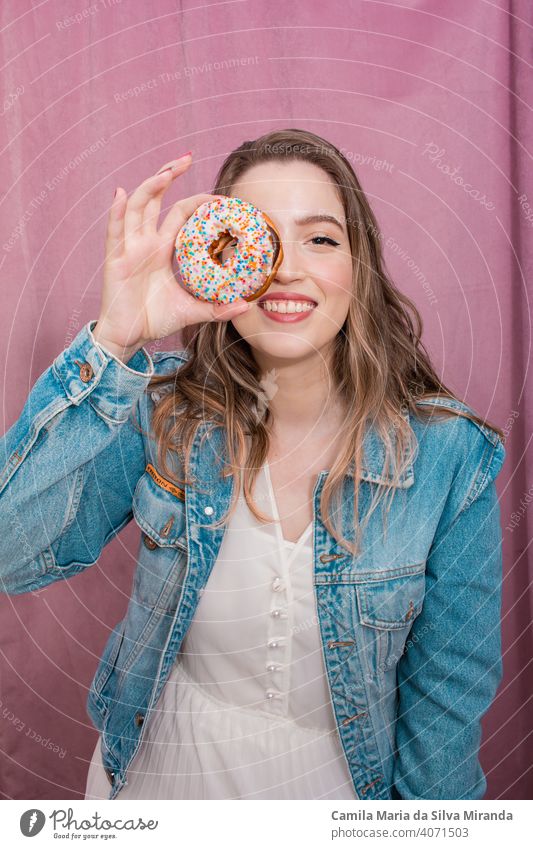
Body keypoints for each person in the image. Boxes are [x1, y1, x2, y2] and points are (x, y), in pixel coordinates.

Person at [0, 129, 506, 801]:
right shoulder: (163, 409)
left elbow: (446, 700)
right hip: (157, 791)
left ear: (361, 266)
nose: (284, 268)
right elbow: (12, 550)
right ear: (213, 257)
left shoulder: (448, 454)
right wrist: (114, 341)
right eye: (254, 239)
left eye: (320, 239)